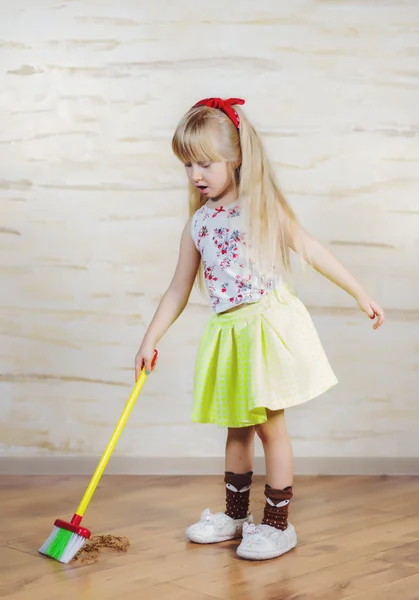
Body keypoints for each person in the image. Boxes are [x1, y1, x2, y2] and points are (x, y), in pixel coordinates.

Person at [134, 97, 385, 561]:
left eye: (205, 163)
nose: (195, 175)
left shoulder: (260, 209)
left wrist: (358, 291)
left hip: (264, 329)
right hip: (229, 334)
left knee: (270, 428)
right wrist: (150, 339)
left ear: (237, 158)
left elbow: (310, 248)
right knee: (237, 429)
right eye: (187, 164)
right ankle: (236, 517)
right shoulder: (199, 223)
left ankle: (276, 526)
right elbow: (177, 289)